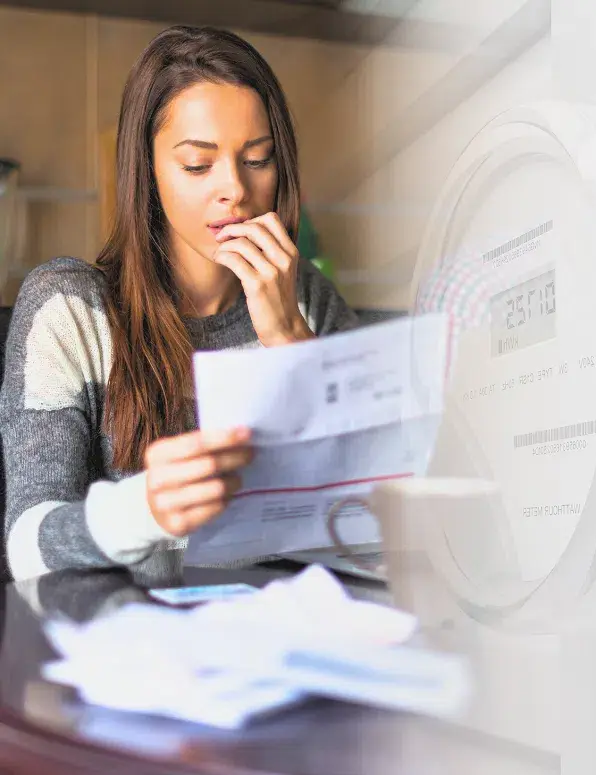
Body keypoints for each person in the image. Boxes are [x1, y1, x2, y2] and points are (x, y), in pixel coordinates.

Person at [0, 25, 359, 582]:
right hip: (128, 649)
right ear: (148, 172)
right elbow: (27, 546)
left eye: (258, 159)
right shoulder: (71, 309)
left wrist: (292, 342)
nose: (234, 189)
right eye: (198, 165)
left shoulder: (308, 299)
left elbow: (370, 517)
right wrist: (145, 510)